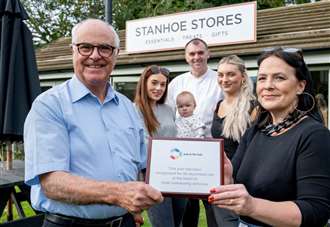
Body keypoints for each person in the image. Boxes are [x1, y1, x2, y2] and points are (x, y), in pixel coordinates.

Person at [24, 19, 163, 227]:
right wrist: (119, 194)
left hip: (124, 221)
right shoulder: (50, 105)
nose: (95, 55)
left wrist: (201, 170)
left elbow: (143, 165)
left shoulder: (127, 108)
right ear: (73, 51)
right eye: (85, 47)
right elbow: (52, 183)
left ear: (116, 54)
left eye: (105, 48)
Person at [208, 47, 330, 227]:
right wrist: (228, 179)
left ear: (300, 86)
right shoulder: (255, 131)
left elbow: (316, 210)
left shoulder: (314, 136)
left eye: (279, 78)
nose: (268, 86)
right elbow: (241, 186)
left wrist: (252, 206)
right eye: (262, 78)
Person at [166, 38, 222, 227]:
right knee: (186, 210)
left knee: (213, 206)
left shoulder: (219, 79)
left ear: (208, 54)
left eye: (200, 53)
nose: (196, 57)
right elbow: (168, 116)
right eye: (192, 53)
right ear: (186, 57)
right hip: (183, 155)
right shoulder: (176, 83)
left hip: (211, 154)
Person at [134, 65, 187, 227]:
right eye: (154, 83)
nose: (159, 88)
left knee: (177, 222)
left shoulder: (169, 109)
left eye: (163, 85)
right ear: (144, 83)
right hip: (153, 177)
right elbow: (138, 146)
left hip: (176, 174)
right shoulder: (134, 110)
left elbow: (175, 138)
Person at [210, 55, 256, 227]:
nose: (224, 79)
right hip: (218, 180)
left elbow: (254, 150)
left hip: (241, 183)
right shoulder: (218, 105)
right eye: (220, 75)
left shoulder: (253, 107)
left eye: (230, 74)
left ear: (242, 77)